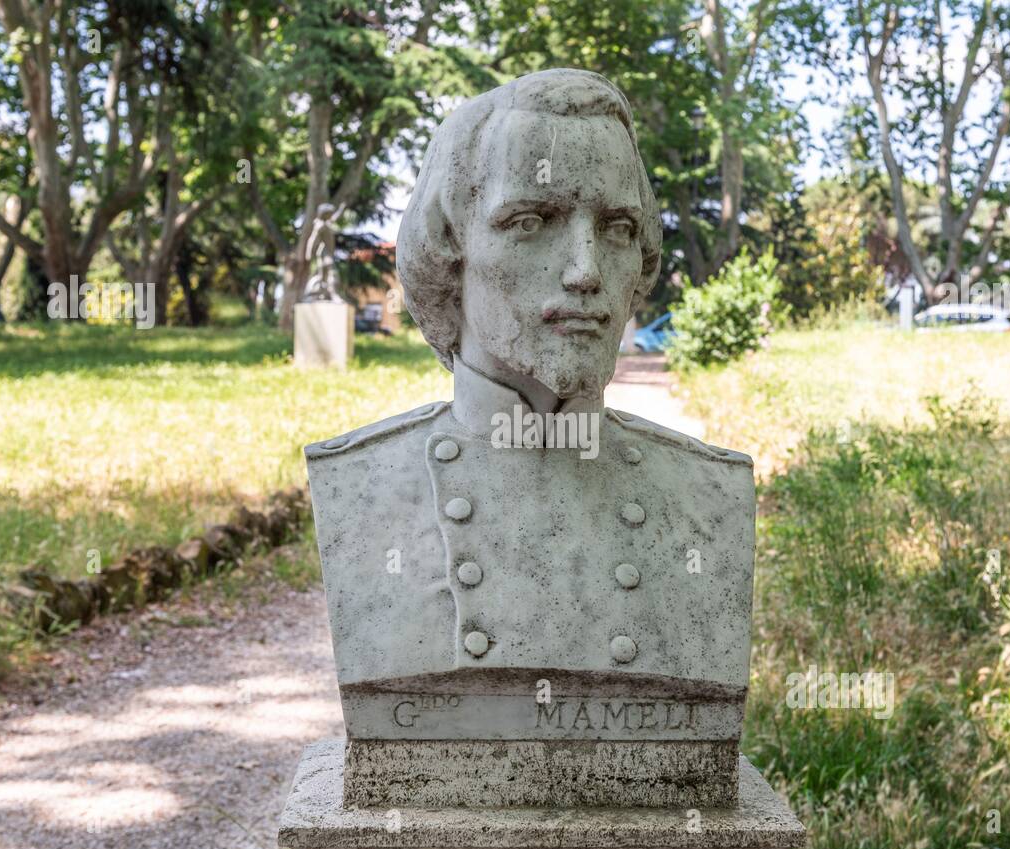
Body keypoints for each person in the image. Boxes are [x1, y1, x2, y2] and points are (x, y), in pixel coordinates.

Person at [304, 69, 756, 740]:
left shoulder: (711, 496)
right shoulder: (357, 482)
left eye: (617, 228)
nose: (584, 269)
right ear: (450, 247)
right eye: (531, 221)